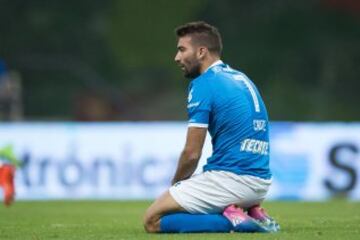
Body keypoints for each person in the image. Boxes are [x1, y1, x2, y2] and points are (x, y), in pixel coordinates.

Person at [143, 21, 279, 233]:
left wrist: (176, 186)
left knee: (153, 220)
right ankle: (250, 210)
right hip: (261, 181)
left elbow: (191, 153)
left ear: (201, 52)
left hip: (231, 179)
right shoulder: (241, 77)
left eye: (181, 49)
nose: (176, 58)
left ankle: (237, 221)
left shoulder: (203, 83)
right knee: (184, 208)